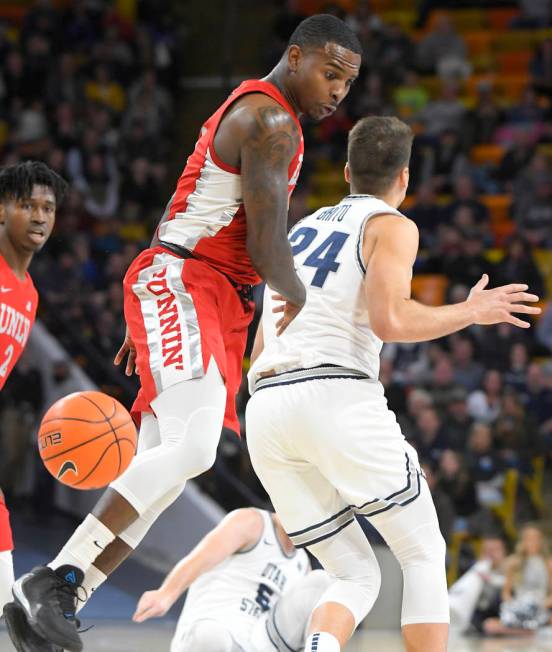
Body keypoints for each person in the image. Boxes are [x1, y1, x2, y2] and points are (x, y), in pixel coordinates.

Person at [7, 15, 362, 652]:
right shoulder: (271, 122)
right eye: (329, 73)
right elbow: (264, 240)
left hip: (203, 293)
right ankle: (52, 578)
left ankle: (61, 597)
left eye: (346, 82)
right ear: (296, 56)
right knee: (194, 452)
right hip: (190, 282)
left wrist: (146, 313)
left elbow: (186, 203)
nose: (336, 92)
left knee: (164, 473)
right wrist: (303, 299)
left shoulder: (270, 117)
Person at [245, 115, 541, 652]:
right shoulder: (391, 225)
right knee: (424, 552)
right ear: (404, 178)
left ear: (346, 172)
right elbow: (392, 322)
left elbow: (261, 346)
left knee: (354, 574)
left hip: (266, 407)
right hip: (333, 392)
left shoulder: (301, 228)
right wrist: (471, 311)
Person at [0, 162, 67, 630]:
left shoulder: (29, 293)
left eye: (48, 207)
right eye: (27, 205)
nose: (40, 216)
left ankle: (16, 621)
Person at [133, 507, 331, 651]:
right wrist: (167, 593)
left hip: (257, 643)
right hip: (215, 631)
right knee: (212, 636)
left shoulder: (302, 563)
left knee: (322, 582)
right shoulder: (252, 522)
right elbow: (200, 558)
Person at [483, 524, 552, 636]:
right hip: (519, 606)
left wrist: (542, 604)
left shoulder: (548, 563)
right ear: (523, 541)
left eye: (535, 539)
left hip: (540, 607)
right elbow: (506, 592)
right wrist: (514, 604)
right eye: (528, 539)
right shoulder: (514, 563)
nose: (532, 542)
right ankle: (531, 633)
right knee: (489, 625)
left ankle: (526, 631)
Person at [449, 536, 507, 634]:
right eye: (487, 551)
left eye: (494, 550)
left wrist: (491, 580)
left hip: (500, 611)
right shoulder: (477, 569)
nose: (490, 554)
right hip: (479, 613)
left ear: (503, 551)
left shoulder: (509, 567)